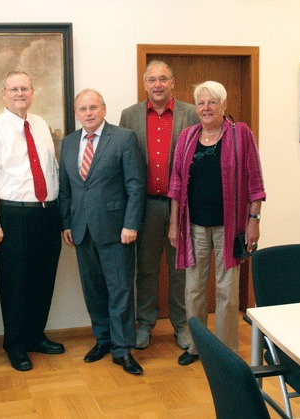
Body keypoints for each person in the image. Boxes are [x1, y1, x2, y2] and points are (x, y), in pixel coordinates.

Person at [167, 81, 266, 366]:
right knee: (193, 288)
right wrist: (175, 224)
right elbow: (176, 184)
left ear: (223, 105)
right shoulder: (187, 137)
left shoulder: (240, 134)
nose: (206, 108)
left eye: (212, 102)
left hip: (229, 227)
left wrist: (254, 220)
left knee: (226, 291)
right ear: (195, 108)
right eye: (201, 103)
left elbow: (254, 180)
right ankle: (197, 347)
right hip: (194, 226)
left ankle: (226, 352)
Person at [0, 71, 64, 372]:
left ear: (33, 92)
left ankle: (35, 337)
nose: (19, 93)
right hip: (11, 216)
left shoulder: (39, 124)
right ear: (4, 94)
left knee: (43, 279)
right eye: (13, 89)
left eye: (24, 88)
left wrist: (59, 211)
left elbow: (51, 168)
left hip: (46, 212)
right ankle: (15, 345)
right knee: (15, 283)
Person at [59, 89, 146, 375]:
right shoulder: (69, 143)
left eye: (93, 107)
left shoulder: (123, 138)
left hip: (116, 230)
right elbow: (66, 189)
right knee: (94, 291)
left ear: (104, 109)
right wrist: (66, 224)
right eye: (82, 109)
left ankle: (123, 350)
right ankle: (103, 340)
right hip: (81, 230)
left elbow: (135, 185)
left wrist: (131, 224)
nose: (88, 113)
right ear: (77, 113)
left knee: (119, 290)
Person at [119, 60, 200, 350]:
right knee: (147, 269)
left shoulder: (191, 113)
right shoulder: (129, 116)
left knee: (180, 270)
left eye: (163, 79)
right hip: (146, 206)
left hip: (182, 206)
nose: (157, 85)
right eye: (152, 80)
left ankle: (182, 325)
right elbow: (123, 161)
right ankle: (146, 324)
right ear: (144, 85)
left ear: (172, 83)